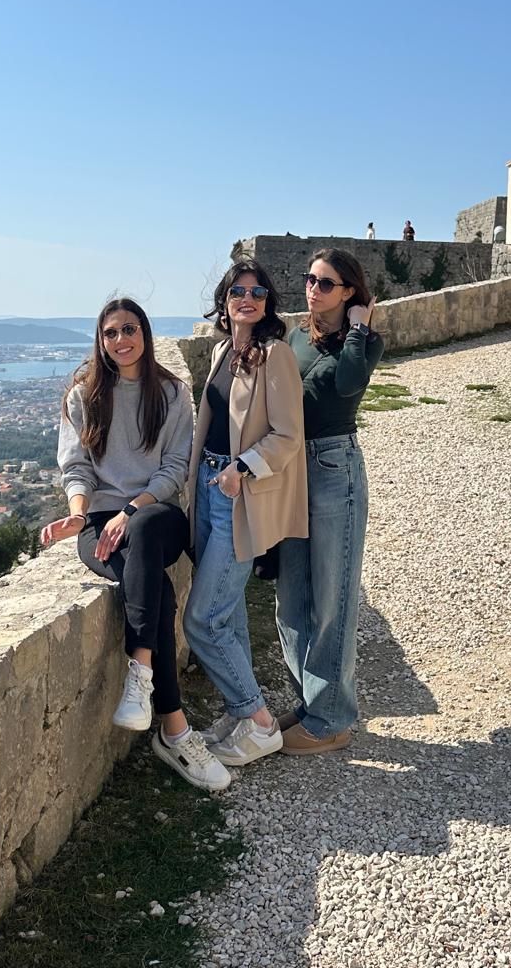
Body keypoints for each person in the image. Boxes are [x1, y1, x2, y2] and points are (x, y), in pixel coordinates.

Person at [41, 297, 229, 792]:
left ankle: (139, 671)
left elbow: (174, 469)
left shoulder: (171, 393)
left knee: (142, 530)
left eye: (129, 329)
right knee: (157, 592)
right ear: (100, 341)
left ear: (144, 332)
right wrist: (78, 514)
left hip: (157, 514)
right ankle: (175, 731)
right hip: (99, 522)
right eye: (110, 333)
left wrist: (131, 509)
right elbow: (76, 467)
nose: (120, 340)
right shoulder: (83, 397)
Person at [184, 261, 307, 767]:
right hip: (209, 488)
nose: (248, 299)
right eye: (238, 291)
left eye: (258, 293)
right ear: (225, 300)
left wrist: (242, 468)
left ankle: (258, 722)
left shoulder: (275, 354)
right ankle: (240, 717)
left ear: (267, 303)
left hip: (239, 495)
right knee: (229, 613)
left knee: (202, 619)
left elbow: (288, 435)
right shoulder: (222, 352)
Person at [276, 248, 384, 754]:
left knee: (331, 598)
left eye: (325, 283)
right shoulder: (296, 336)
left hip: (333, 468)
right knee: (291, 597)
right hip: (290, 467)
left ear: (349, 292)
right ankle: (311, 703)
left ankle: (332, 720)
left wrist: (359, 326)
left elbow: (347, 384)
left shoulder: (364, 344)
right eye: (310, 279)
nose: (313, 290)